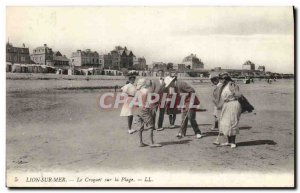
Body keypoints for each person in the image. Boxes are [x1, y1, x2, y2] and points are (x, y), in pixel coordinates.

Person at [133, 78, 162, 148]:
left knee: (140, 126)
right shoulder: (146, 91)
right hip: (144, 109)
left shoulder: (137, 91)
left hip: (137, 109)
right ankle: (151, 143)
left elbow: (135, 103)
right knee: (151, 125)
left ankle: (140, 142)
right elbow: (147, 101)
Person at [217, 73, 242, 148]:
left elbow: (238, 95)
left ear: (225, 79)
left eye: (221, 79)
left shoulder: (232, 85)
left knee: (232, 122)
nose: (220, 81)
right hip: (226, 105)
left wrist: (234, 93)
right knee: (225, 123)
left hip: (233, 104)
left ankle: (233, 142)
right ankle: (229, 141)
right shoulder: (224, 86)